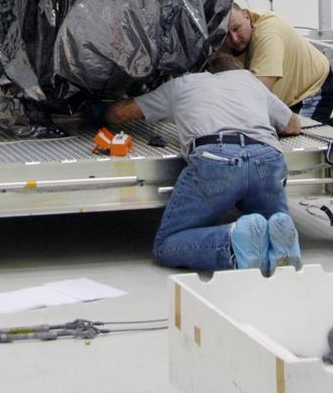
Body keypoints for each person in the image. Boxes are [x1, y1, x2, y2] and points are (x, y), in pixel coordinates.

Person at [104, 53, 303, 274]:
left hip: (216, 159)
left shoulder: (182, 84)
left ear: (202, 70)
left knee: (166, 245)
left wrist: (98, 110)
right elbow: (292, 125)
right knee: (270, 224)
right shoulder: (249, 80)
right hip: (267, 157)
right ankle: (279, 234)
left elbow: (119, 113)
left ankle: (232, 241)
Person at [223, 4, 333, 126]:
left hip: (312, 89)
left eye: (236, 29)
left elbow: (258, 94)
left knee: (295, 133)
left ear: (247, 17)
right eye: (226, 33)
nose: (234, 39)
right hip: (284, 95)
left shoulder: (269, 35)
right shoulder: (221, 36)